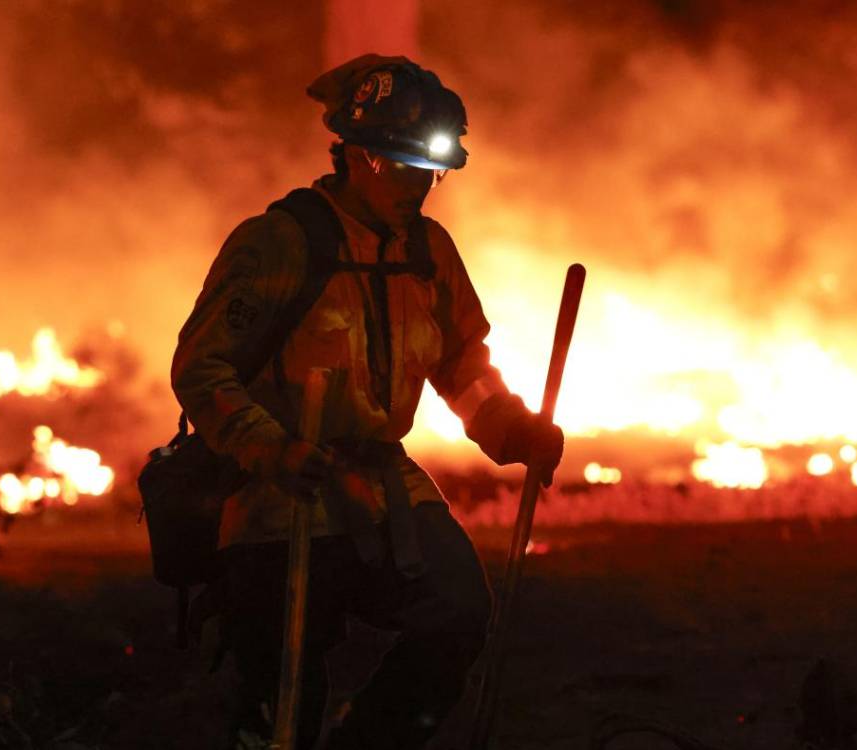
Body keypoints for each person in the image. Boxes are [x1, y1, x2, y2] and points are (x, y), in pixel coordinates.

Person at [170, 54, 564, 750]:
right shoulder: (278, 244)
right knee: (282, 694)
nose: (417, 187)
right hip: (278, 497)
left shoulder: (429, 251)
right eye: (401, 167)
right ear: (355, 155)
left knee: (457, 613)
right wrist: (270, 448)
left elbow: (461, 364)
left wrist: (509, 428)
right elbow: (203, 369)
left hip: (384, 490)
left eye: (430, 172)